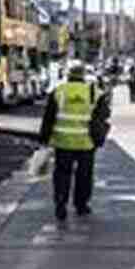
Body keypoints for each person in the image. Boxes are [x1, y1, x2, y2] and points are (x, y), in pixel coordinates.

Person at [40, 60, 101, 222]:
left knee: (62, 174)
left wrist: (44, 139)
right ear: (83, 75)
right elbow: (101, 118)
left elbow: (49, 118)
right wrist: (98, 139)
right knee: (84, 175)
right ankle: (81, 205)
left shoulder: (59, 91)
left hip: (63, 141)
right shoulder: (93, 92)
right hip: (86, 142)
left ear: (67, 75)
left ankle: (61, 204)